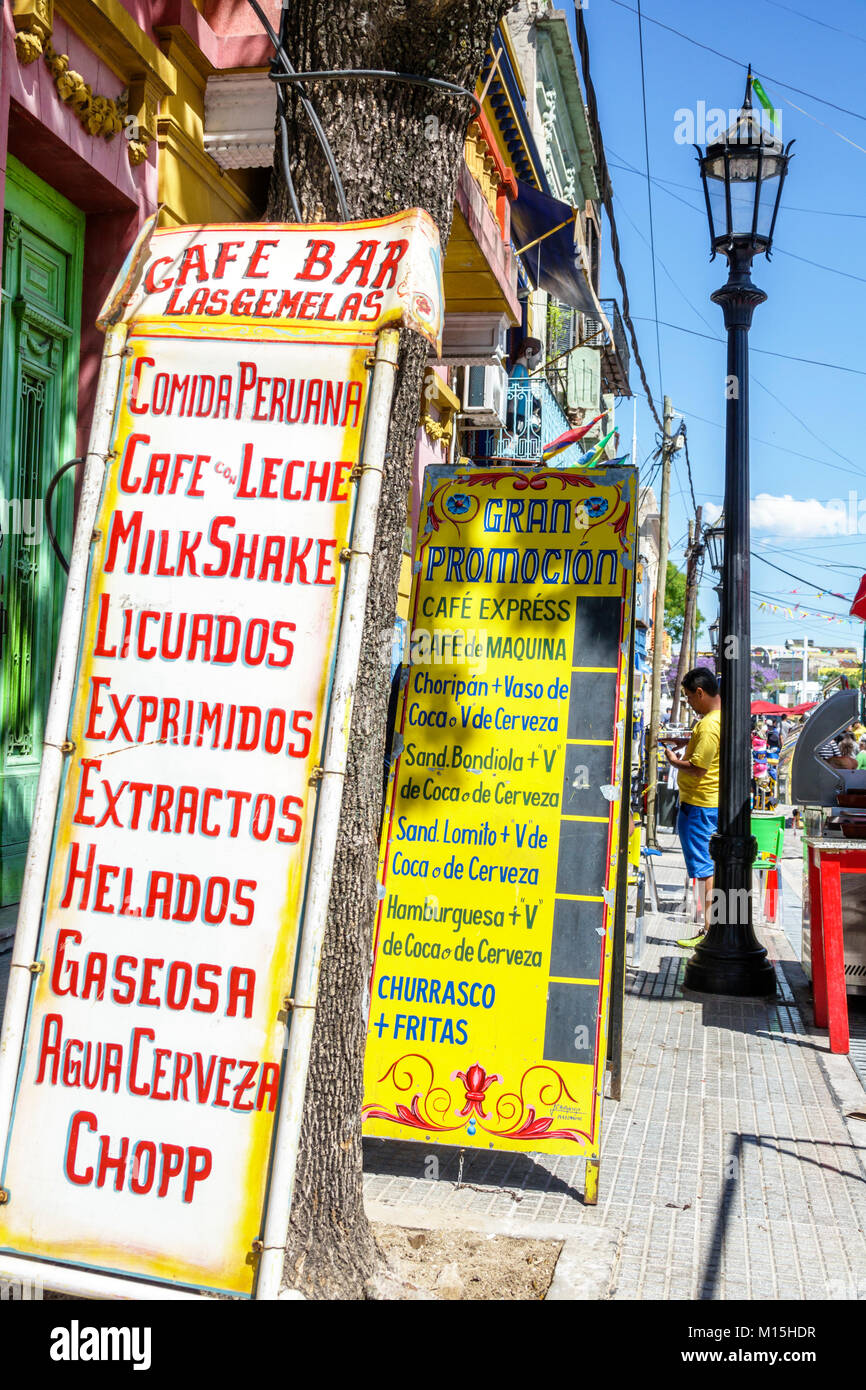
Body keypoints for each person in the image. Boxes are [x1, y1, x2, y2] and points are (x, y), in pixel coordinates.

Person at [662, 667, 721, 951]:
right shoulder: (715, 720)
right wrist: (688, 743)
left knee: (705, 869)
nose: (689, 703)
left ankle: (710, 931)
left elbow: (698, 768)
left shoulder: (709, 725)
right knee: (707, 868)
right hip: (705, 804)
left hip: (700, 805)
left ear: (700, 692)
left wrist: (674, 760)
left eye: (688, 697)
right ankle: (713, 928)